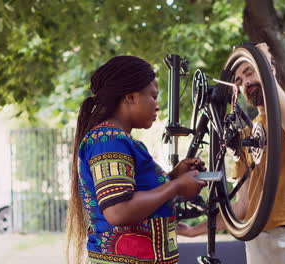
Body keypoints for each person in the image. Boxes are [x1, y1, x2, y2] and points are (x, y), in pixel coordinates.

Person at [177, 43, 285, 263]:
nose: (245, 82)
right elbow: (242, 206)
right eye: (238, 81)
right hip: (258, 241)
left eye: (250, 72)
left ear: (271, 69)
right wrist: (193, 231)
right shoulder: (245, 134)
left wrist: (262, 63)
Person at [66, 55, 207, 264]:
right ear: (130, 97)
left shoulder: (119, 140)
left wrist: (173, 177)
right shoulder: (108, 140)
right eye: (153, 96)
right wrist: (176, 186)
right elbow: (119, 211)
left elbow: (135, 194)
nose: (157, 106)